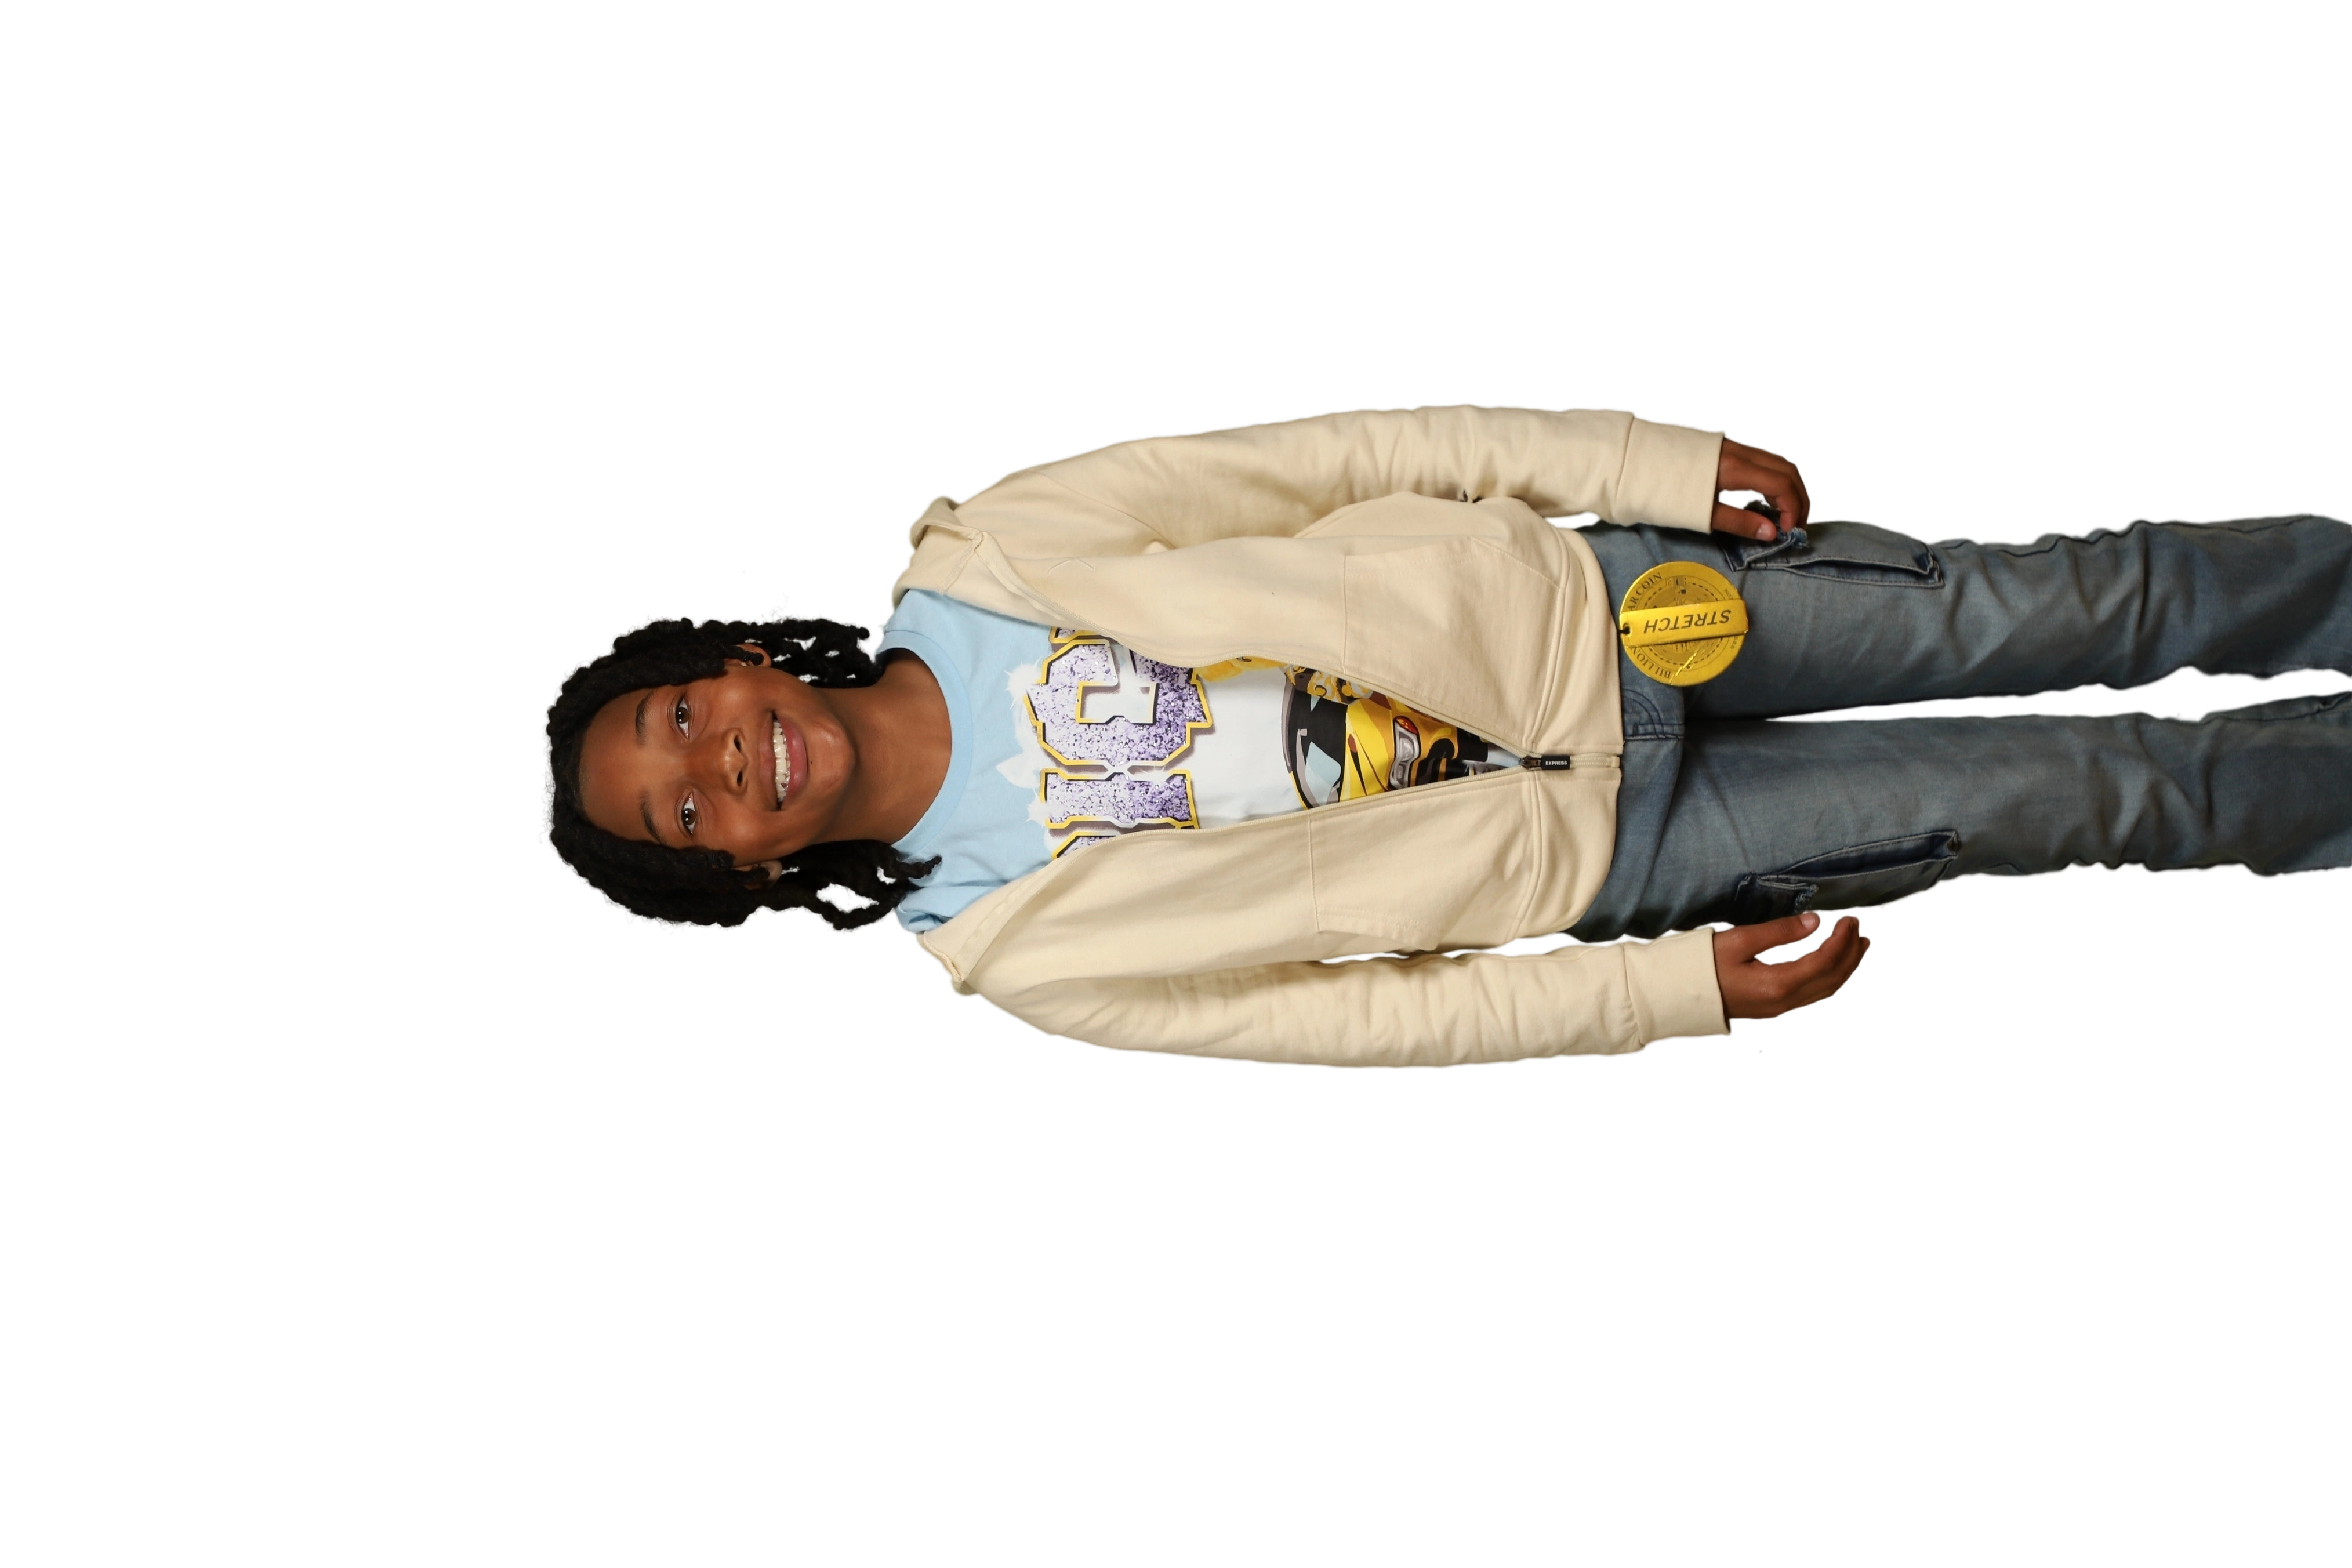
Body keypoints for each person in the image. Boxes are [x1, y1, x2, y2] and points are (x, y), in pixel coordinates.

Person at [538, 401, 2352, 1069]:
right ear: (744, 873)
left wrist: (1640, 465)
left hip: (1607, 609)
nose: (716, 766)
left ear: (739, 659)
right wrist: (1670, 993)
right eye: (683, 814)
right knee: (2089, 790)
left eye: (681, 718)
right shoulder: (1022, 957)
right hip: (1630, 859)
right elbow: (1380, 1019)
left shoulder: (995, 551)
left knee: (2071, 608)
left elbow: (1337, 458)